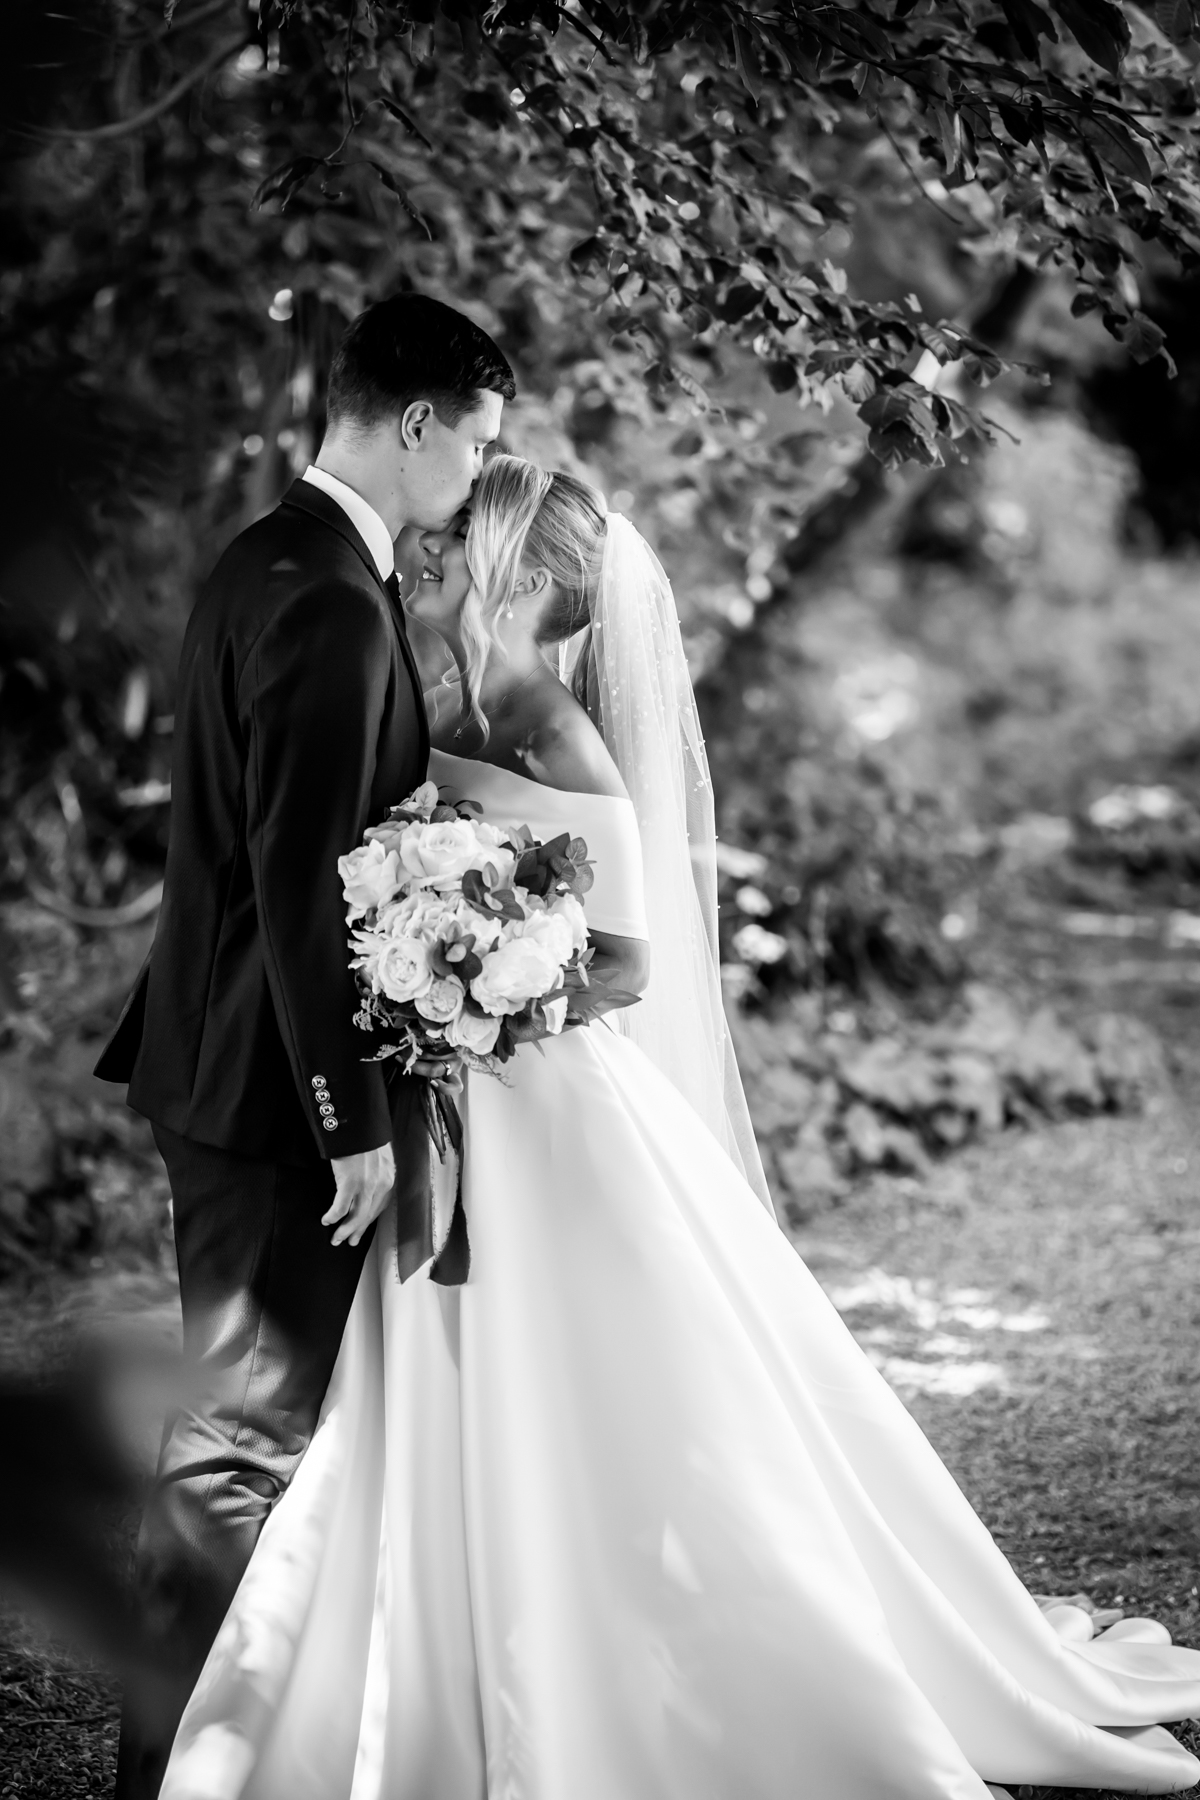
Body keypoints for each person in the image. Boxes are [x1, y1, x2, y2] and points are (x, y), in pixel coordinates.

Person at [158, 455, 1200, 1800]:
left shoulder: (561, 734)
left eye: (467, 537)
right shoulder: (429, 690)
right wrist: (419, 961)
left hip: (541, 1098)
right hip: (448, 1088)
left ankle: (621, 1647)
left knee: (590, 1375)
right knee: (429, 1378)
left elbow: (633, 960)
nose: (440, 550)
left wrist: (485, 982)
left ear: (526, 572)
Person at [94, 294, 513, 1800]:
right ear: (416, 422)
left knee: (233, 1431)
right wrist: (349, 1118)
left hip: (214, 1063)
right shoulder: (335, 601)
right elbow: (296, 871)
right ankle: (165, 1772)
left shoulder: (268, 556)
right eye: (477, 441)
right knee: (236, 1448)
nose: (476, 474)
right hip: (273, 1096)